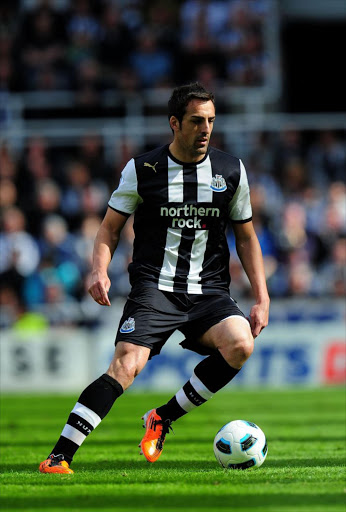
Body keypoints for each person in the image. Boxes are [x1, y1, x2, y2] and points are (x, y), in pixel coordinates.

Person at [39, 82, 270, 474]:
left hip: (209, 290)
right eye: (197, 121)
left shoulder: (231, 171)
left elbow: (246, 237)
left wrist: (262, 297)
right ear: (174, 123)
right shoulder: (143, 169)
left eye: (211, 121)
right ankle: (59, 456)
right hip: (154, 288)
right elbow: (109, 228)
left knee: (240, 345)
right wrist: (98, 269)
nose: (206, 129)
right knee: (126, 365)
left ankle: (161, 418)